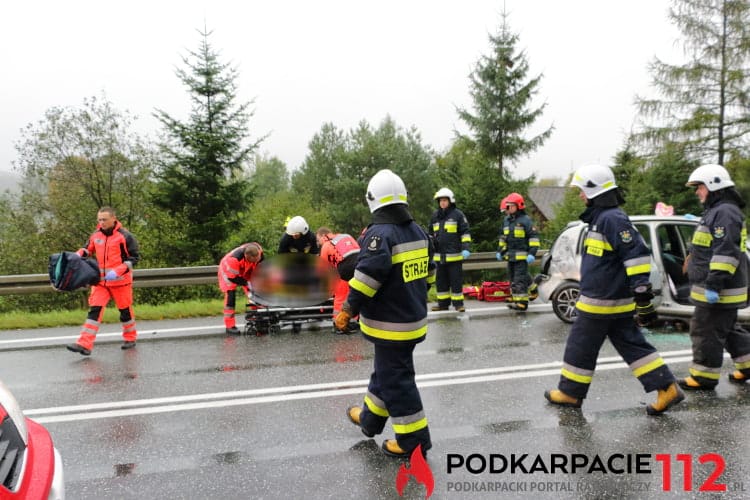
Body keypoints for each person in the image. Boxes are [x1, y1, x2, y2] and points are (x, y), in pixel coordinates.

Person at [544, 164, 684, 415]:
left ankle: (570, 393)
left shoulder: (611, 218)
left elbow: (637, 255)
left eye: (582, 190)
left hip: (602, 301)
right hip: (608, 300)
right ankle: (667, 387)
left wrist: (642, 294)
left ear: (594, 191)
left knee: (580, 345)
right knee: (633, 346)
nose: (579, 195)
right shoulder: (602, 218)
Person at [336, 169, 435, 458]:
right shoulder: (418, 231)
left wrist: (347, 309)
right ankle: (370, 420)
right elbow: (428, 275)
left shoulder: (380, 235)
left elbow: (367, 278)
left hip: (390, 325)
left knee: (397, 382)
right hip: (411, 319)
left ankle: (413, 441)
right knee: (385, 373)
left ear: (373, 200)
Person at [679, 164, 750, 389]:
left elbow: (725, 252)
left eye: (699, 187)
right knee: (727, 331)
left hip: (719, 290)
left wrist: (713, 284)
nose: (697, 192)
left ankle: (703, 377)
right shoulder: (718, 211)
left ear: (713, 186)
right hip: (721, 288)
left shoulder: (724, 212)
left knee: (705, 330)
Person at [66, 207, 140, 356]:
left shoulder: (125, 236)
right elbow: (88, 249)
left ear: (114, 219)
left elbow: (134, 258)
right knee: (94, 310)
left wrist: (118, 271)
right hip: (101, 282)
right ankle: (84, 344)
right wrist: (78, 254)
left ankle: (130, 338)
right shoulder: (96, 235)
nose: (101, 222)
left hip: (121, 282)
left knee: (125, 311)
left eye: (104, 219)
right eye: (99, 219)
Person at [429, 187, 471, 312]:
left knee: (455, 281)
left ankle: (458, 304)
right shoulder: (435, 216)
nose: (442, 202)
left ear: (450, 201)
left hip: (455, 256)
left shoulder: (458, 215)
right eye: (440, 200)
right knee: (441, 282)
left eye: (444, 200)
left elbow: (465, 233)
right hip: (439, 256)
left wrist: (466, 248)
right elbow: (430, 233)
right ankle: (443, 304)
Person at [496, 193, 540, 310]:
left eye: (510, 206)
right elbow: (503, 238)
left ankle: (522, 302)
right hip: (510, 255)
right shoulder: (507, 221)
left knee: (519, 279)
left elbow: (533, 238)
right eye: (507, 206)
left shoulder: (525, 220)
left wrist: (532, 253)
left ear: (518, 206)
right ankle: (518, 297)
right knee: (513, 277)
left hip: (521, 256)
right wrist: (500, 251)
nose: (508, 209)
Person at [316, 227, 360, 334]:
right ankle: (354, 320)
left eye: (318, 240)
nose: (318, 243)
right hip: (360, 264)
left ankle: (338, 324)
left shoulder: (326, 245)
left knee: (340, 294)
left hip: (345, 267)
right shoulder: (346, 236)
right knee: (355, 292)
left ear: (324, 236)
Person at [218, 242, 264, 335]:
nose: (257, 261)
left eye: (257, 259)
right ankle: (230, 326)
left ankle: (257, 318)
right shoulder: (233, 260)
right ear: (248, 257)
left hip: (247, 267)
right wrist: (247, 283)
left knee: (256, 291)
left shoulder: (258, 251)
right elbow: (233, 277)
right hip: (229, 273)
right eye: (254, 260)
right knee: (231, 296)